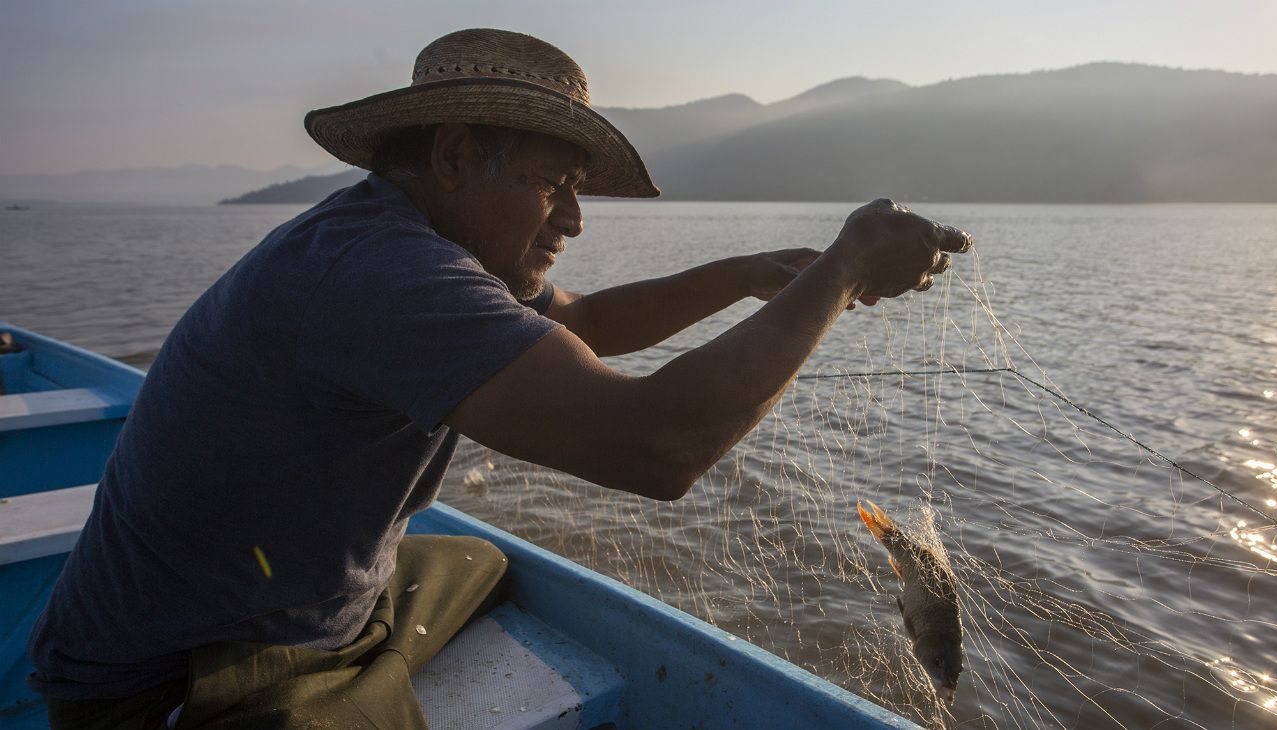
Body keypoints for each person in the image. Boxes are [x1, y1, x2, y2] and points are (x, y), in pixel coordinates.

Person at [27, 28, 972, 729]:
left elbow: (588, 322)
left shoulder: (402, 245)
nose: (571, 219)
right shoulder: (379, 275)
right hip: (179, 678)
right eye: (552, 183)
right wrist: (844, 265)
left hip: (304, 603)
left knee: (481, 561)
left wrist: (756, 275)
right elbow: (656, 444)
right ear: (450, 158)